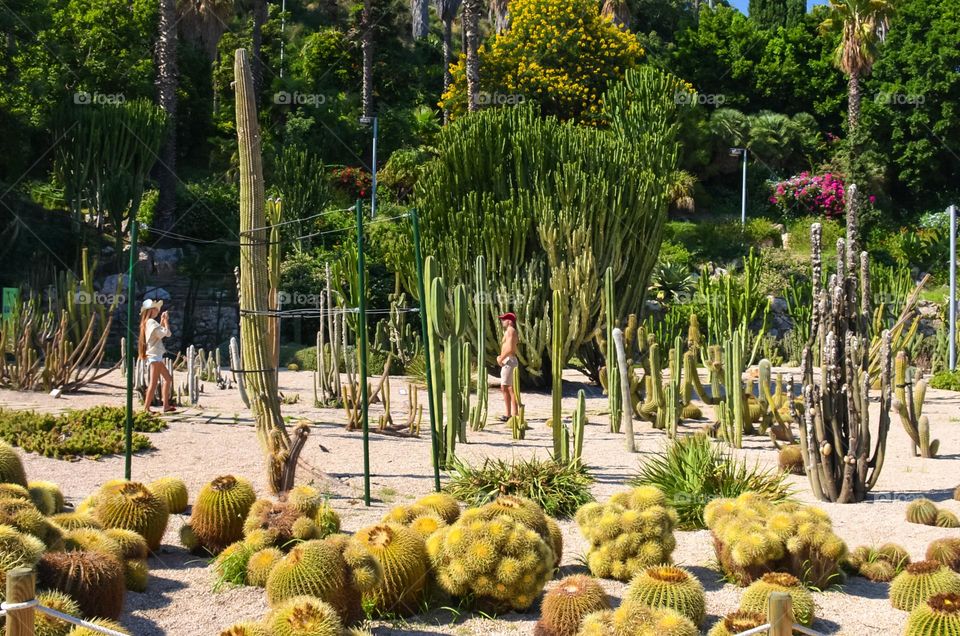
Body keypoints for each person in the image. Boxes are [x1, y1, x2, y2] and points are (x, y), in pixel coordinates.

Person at [139, 298, 175, 414]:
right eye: (155, 309)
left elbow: (157, 334)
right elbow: (167, 333)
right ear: (151, 310)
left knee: (167, 379)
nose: (157, 311)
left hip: (155, 356)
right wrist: (165, 322)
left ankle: (165, 405)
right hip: (155, 356)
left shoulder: (148, 323)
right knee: (154, 383)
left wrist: (161, 321)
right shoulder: (151, 322)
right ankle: (146, 408)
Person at [496, 312, 519, 421]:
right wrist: (501, 357)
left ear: (510, 321)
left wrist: (501, 358)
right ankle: (509, 413)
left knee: (510, 388)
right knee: (505, 387)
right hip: (507, 360)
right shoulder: (509, 331)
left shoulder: (510, 331)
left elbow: (510, 348)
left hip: (509, 361)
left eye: (504, 319)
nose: (502, 321)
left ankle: (514, 414)